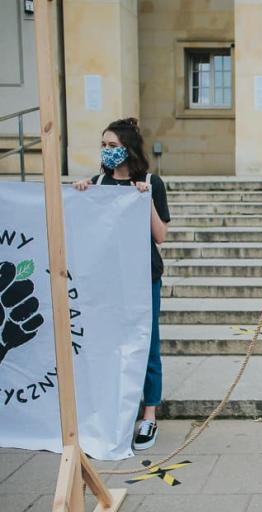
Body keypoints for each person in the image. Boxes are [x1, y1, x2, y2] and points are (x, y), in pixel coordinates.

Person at [72, 117, 170, 451]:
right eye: (103, 145)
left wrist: (145, 201)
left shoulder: (151, 182)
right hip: (108, 280)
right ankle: (114, 411)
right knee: (108, 344)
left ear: (128, 148)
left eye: (113, 145)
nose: (107, 151)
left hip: (143, 278)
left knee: (147, 344)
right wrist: (83, 196)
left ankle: (149, 415)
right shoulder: (97, 184)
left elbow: (161, 236)